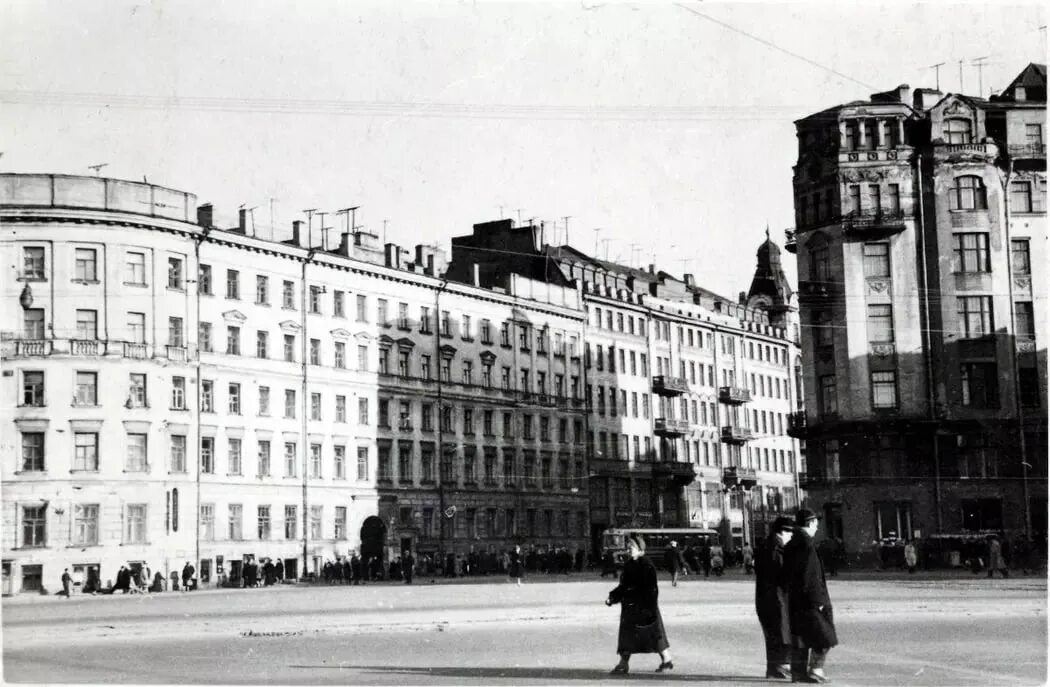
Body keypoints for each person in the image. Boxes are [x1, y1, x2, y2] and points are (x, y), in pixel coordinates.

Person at [605, 534, 674, 674]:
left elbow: (652, 588)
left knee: (652, 634)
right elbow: (623, 586)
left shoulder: (646, 564)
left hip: (644, 606)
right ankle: (624, 663)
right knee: (632, 635)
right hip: (632, 607)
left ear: (640, 548)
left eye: (631, 546)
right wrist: (613, 597)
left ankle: (665, 660)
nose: (628, 549)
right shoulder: (630, 564)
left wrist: (649, 608)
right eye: (628, 546)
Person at [784, 509, 837, 684]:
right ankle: (816, 669)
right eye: (815, 523)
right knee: (825, 635)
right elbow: (811, 575)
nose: (817, 526)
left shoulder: (791, 544)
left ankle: (798, 673)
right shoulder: (808, 546)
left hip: (794, 599)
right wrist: (818, 601)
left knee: (800, 637)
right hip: (810, 600)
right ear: (809, 523)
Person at [754, 516, 795, 679]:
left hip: (765, 597)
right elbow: (783, 573)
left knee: (772, 632)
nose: (791, 537)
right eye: (790, 533)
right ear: (783, 532)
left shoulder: (765, 545)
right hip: (777, 597)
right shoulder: (776, 548)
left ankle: (773, 667)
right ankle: (781, 665)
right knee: (782, 630)